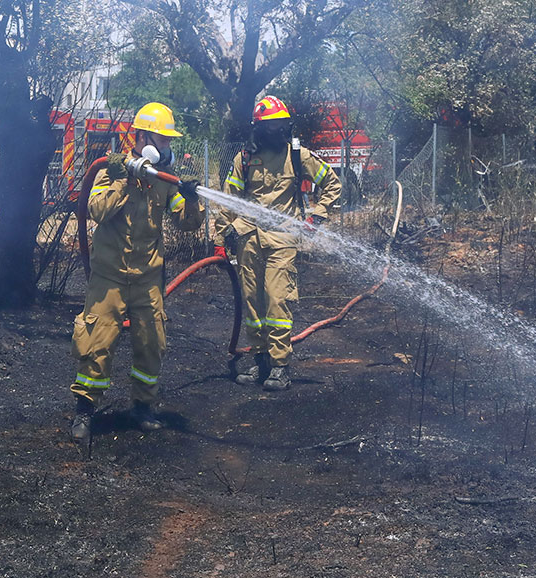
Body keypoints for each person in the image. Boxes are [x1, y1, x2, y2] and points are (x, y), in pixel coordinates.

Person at [70, 102, 205, 443]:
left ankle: (143, 408)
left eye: (169, 141)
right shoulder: (109, 172)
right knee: (96, 344)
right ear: (143, 138)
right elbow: (97, 210)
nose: (167, 147)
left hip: (147, 279)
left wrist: (189, 199)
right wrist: (125, 179)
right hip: (109, 277)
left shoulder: (163, 182)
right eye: (162, 140)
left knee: (152, 344)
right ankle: (84, 412)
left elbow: (187, 224)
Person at [214, 95, 341, 391]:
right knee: (252, 303)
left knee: (276, 300)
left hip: (282, 238)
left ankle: (280, 366)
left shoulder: (299, 156)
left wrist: (316, 216)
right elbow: (229, 201)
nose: (277, 132)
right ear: (258, 128)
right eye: (270, 126)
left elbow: (332, 184)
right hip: (248, 238)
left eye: (280, 126)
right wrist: (221, 236)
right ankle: (260, 363)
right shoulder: (244, 159)